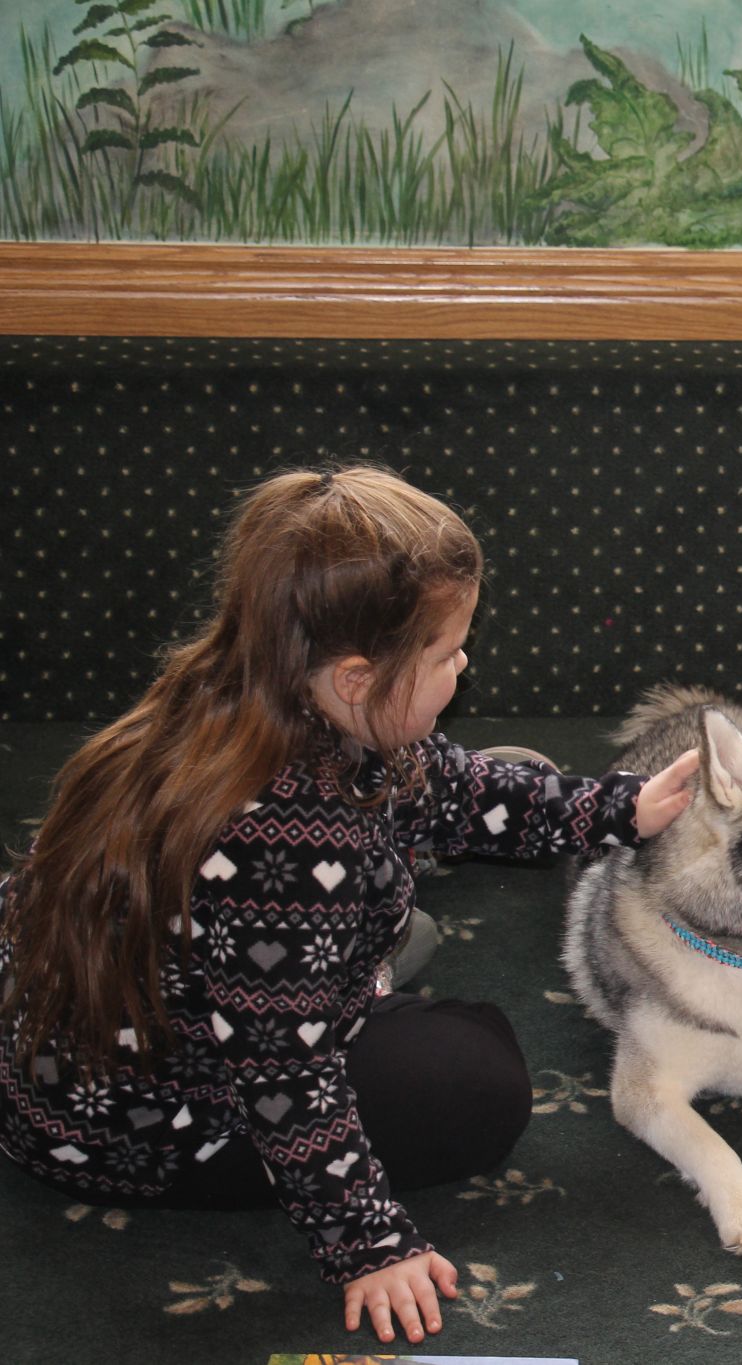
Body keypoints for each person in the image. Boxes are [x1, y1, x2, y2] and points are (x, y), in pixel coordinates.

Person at [0, 468, 701, 1342]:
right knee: (479, 1081)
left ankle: (369, 937)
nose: (465, 663)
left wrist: (615, 811)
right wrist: (369, 1245)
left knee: (453, 808)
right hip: (146, 1119)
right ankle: (369, 955)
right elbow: (284, 1083)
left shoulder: (253, 687)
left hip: (140, 1011)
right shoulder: (281, 845)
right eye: (447, 654)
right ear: (357, 678)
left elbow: (444, 782)